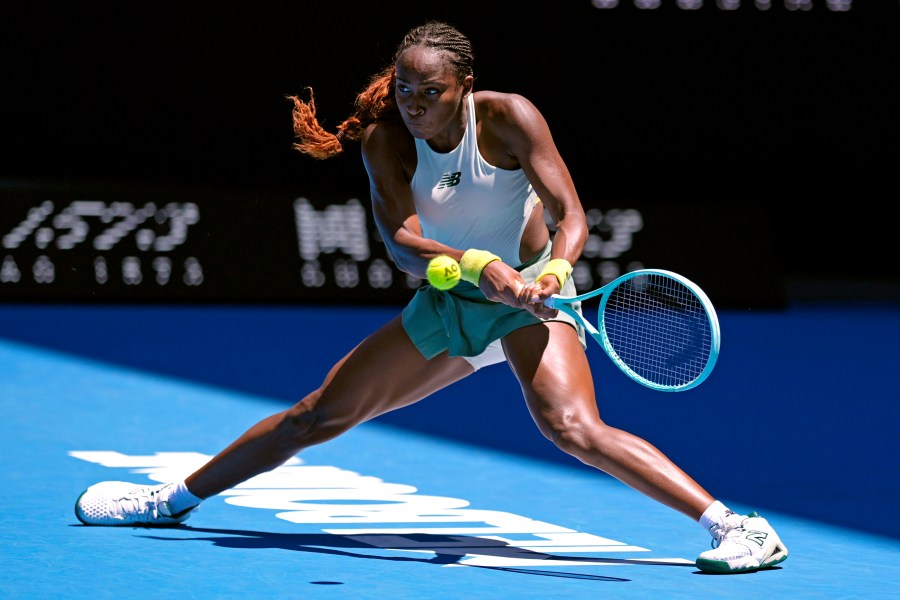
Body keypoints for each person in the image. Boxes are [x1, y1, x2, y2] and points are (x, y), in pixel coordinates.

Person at [74, 20, 787, 575]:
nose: (415, 105)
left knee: (571, 428)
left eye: (431, 93)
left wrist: (546, 276)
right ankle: (167, 502)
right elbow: (399, 241)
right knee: (314, 417)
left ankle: (737, 527)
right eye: (406, 90)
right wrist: (480, 267)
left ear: (465, 86)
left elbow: (572, 217)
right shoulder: (386, 141)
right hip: (454, 304)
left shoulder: (509, 118)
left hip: (528, 299)